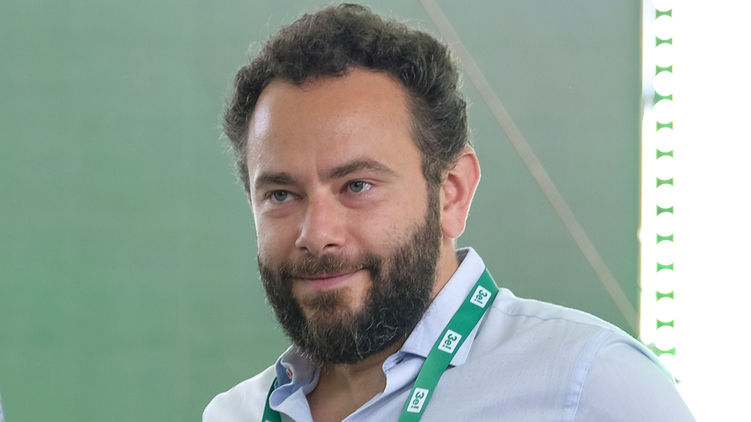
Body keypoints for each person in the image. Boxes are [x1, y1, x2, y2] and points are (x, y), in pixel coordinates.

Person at [204, 4, 695, 421]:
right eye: (281, 195)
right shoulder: (235, 413)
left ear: (452, 193)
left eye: (357, 185)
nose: (316, 234)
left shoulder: (591, 387)